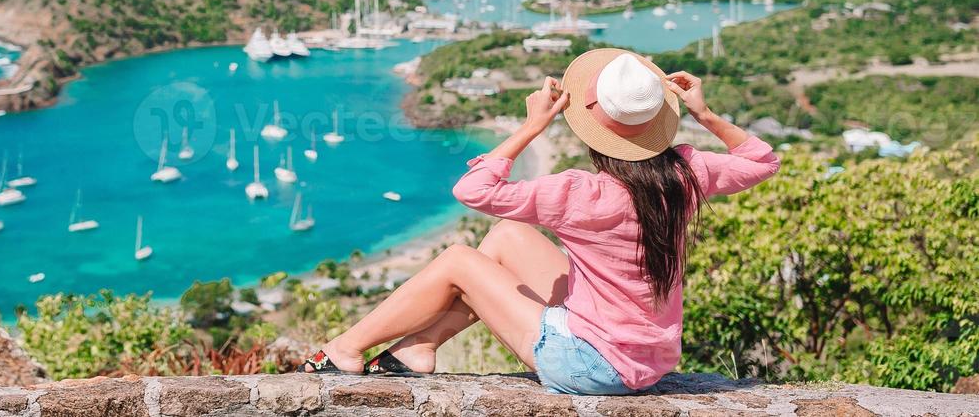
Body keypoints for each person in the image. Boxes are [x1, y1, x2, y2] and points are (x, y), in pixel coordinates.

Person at [302, 47, 780, 394]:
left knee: (457, 261)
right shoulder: (686, 172)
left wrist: (531, 127)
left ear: (591, 124)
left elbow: (473, 190)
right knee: (507, 236)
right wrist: (707, 114)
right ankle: (420, 346)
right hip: (649, 359)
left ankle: (346, 348)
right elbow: (762, 161)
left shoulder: (581, 191)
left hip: (589, 366)